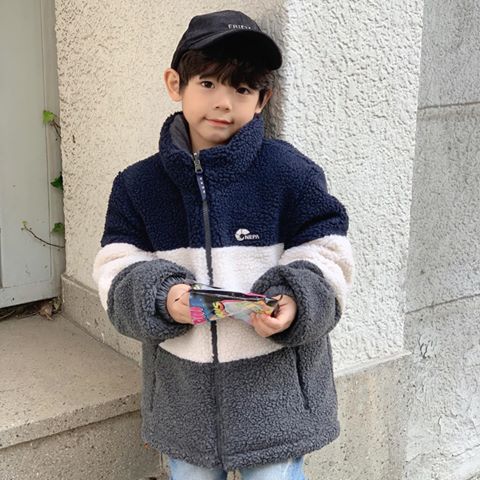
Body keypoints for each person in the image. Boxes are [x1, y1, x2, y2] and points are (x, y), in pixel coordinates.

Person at [92, 9, 354, 480]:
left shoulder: (290, 173)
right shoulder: (138, 186)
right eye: (208, 83)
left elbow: (328, 255)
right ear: (175, 84)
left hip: (275, 400)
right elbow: (115, 269)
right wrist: (161, 297)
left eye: (242, 88)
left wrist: (295, 300)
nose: (223, 102)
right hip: (183, 402)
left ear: (263, 99)